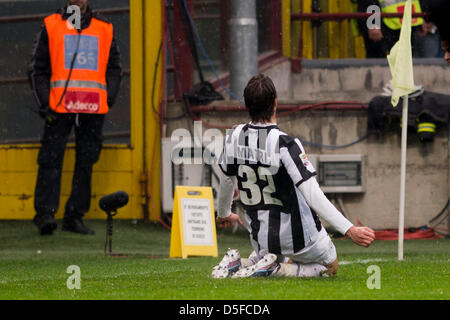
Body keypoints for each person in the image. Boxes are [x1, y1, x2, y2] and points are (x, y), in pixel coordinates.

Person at [211, 74, 375, 279]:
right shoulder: (285, 144)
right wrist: (349, 229)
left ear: (246, 105)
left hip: (261, 238)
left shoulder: (234, 137)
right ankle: (278, 270)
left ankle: (239, 262)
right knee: (330, 266)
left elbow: (227, 180)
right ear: (275, 103)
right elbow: (312, 194)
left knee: (268, 253)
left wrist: (223, 213)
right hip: (299, 239)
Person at [28, 0, 122, 235]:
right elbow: (37, 69)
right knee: (50, 160)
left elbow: (114, 68)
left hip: (92, 108)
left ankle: (74, 215)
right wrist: (45, 103)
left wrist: (108, 98)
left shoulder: (105, 28)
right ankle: (45, 215)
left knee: (86, 162)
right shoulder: (51, 25)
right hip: (58, 108)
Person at [357, 0, 437, 58]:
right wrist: (374, 24)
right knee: (377, 64)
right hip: (382, 27)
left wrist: (422, 19)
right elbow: (368, 2)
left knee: (405, 65)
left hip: (406, 25)